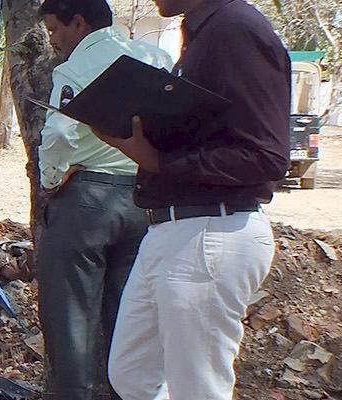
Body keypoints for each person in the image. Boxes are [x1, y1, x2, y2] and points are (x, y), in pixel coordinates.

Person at [91, 0, 290, 396]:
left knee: (197, 389)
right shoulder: (206, 31)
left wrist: (159, 160)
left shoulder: (235, 29)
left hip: (209, 232)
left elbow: (266, 157)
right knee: (133, 375)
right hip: (174, 228)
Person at [32, 0, 173, 397]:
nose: (55, 41)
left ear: (79, 23)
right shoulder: (155, 57)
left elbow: (59, 134)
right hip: (143, 204)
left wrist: (51, 180)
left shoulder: (75, 68)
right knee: (129, 325)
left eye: (55, 30)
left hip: (86, 201)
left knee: (70, 324)